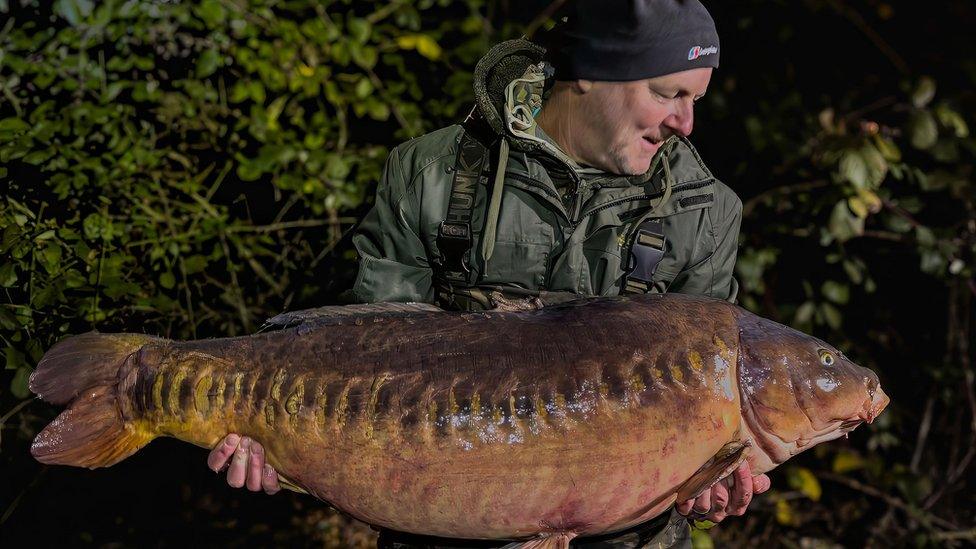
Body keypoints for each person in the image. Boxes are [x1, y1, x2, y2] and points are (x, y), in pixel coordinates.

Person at [207, 1, 771, 546]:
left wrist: (708, 484)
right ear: (592, 73)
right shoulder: (432, 175)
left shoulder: (706, 214)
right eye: (668, 93)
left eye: (695, 99)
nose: (686, 123)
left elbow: (701, 423)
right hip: (441, 520)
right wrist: (284, 444)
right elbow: (362, 364)